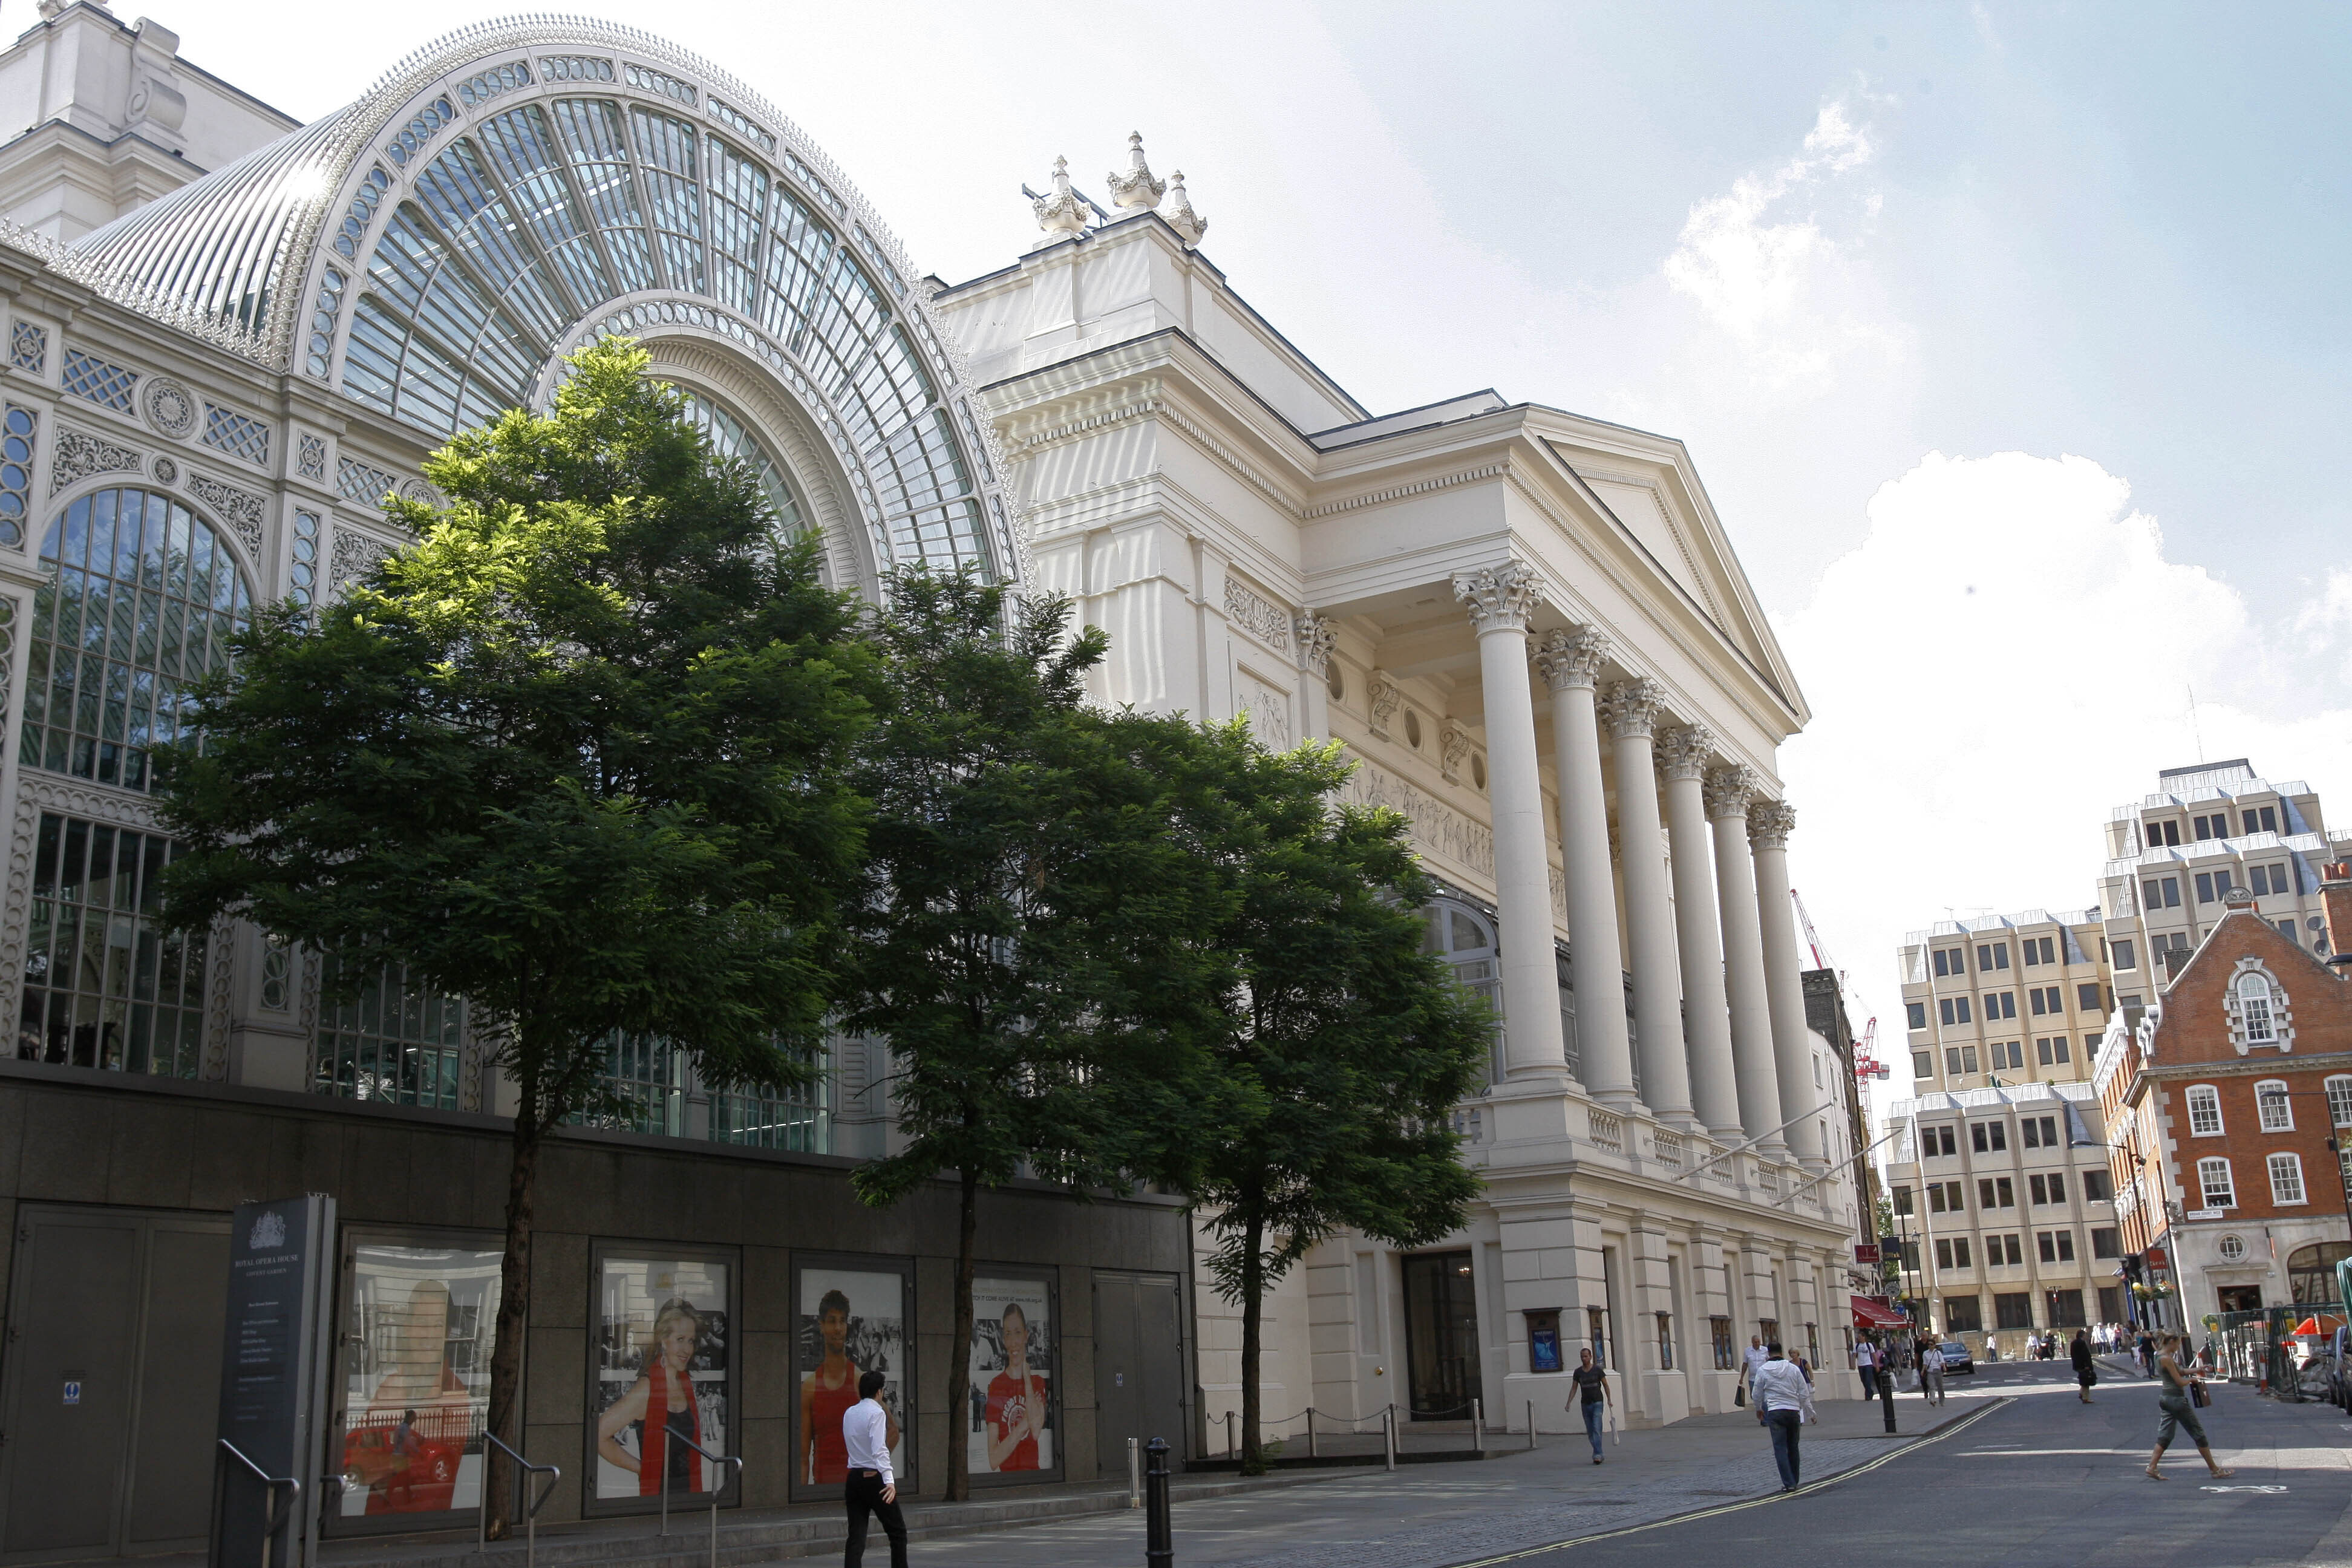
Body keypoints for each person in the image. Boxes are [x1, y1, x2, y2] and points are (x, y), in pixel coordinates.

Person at [596, 1298, 708, 1496]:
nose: (687, 1349)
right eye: (680, 1339)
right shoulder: (647, 1388)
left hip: (690, 1499)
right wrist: (643, 1469)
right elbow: (599, 1435)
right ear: (663, 1341)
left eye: (691, 1341)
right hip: (658, 1502)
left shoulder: (685, 1385)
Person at [804, 1290, 897, 1485]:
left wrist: (873, 1468)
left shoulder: (859, 1380)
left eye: (842, 1321)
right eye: (831, 1321)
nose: (838, 1328)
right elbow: (802, 1457)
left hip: (857, 1483)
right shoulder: (810, 1388)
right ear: (821, 1325)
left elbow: (893, 1431)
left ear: (847, 1325)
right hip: (823, 1488)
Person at [2146, 1333, 2233, 1481]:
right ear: (2171, 1342)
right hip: (2176, 1400)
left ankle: (2152, 1467)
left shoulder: (2159, 1355)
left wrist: (2198, 1370)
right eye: (2177, 1344)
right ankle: (2215, 1470)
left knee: (2166, 1435)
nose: (2178, 1347)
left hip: (2166, 1399)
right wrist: (2192, 1380)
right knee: (2198, 1434)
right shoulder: (2166, 1359)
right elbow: (2179, 1381)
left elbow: (2180, 1372)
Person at [843, 1368, 907, 1568]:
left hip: (853, 1478)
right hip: (874, 1479)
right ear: (879, 1392)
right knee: (897, 1532)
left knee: (856, 1537)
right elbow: (880, 1450)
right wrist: (889, 1481)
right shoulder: (877, 1413)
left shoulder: (849, 1412)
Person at [984, 1302, 1048, 1472]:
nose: (1014, 1341)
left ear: (1026, 1335)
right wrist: (1025, 1422)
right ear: (1004, 1339)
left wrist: (1026, 1378)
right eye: (1008, 1334)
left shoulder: (1037, 1382)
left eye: (1018, 1332)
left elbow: (1035, 1431)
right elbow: (993, 1459)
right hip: (1007, 1478)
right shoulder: (997, 1386)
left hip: (1035, 1475)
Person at [1751, 1341, 1817, 1492]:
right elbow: (1804, 1392)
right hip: (1793, 1411)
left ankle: (1789, 1483)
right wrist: (1808, 1411)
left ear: (1768, 1353)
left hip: (1775, 1411)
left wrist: (1758, 1409)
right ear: (1782, 1353)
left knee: (1780, 1448)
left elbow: (1756, 1393)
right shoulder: (1793, 1369)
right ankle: (1795, 1479)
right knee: (1793, 1447)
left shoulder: (1763, 1370)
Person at [1567, 1347, 1610, 1463]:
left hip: (1597, 1402)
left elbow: (1605, 1385)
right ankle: (1599, 1452)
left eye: (1586, 1356)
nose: (1584, 1358)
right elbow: (1574, 1388)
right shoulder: (1578, 1372)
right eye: (1582, 1356)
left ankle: (1598, 1454)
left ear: (1590, 1357)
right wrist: (1569, 1402)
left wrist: (1609, 1400)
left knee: (1597, 1428)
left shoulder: (1597, 1370)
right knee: (1590, 1430)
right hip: (1585, 1404)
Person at [1742, 1334, 1770, 1405]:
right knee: (1754, 1395)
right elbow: (1745, 1364)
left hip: (1763, 1377)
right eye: (1755, 1342)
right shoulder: (1747, 1351)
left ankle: (1764, 1408)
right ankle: (1759, 1405)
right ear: (1752, 1342)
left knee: (1764, 1395)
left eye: (1758, 1342)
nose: (1757, 1343)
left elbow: (1769, 1362)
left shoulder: (1765, 1350)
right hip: (1752, 1378)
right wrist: (1742, 1377)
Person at [2071, 1328, 2097, 1403]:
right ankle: (2085, 1398)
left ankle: (2081, 1393)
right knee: (2086, 1380)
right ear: (2082, 1335)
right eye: (2085, 1335)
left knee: (2083, 1379)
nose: (2086, 1336)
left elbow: (2074, 1355)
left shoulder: (2073, 1343)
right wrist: (2087, 1365)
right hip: (2084, 1365)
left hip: (2077, 1365)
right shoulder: (2081, 1343)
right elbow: (2084, 1355)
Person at [1920, 1342, 1946, 1406]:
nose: (1930, 1346)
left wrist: (1944, 1367)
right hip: (1930, 1372)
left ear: (1934, 1345)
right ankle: (1932, 1400)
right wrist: (1923, 1370)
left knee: (1940, 1387)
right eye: (1928, 1344)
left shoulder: (1938, 1353)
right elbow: (1925, 1363)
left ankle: (1942, 1401)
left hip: (1938, 1371)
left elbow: (1942, 1361)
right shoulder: (1925, 1353)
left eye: (1931, 1344)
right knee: (1931, 1386)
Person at [1854, 1334, 1878, 1400]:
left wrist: (1877, 1366)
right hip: (1860, 1365)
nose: (1859, 1338)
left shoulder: (1869, 1345)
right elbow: (1854, 1356)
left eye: (1860, 1337)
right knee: (1863, 1380)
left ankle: (1867, 1395)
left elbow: (1874, 1356)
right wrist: (1853, 1364)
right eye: (1858, 1337)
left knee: (1868, 1380)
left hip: (1868, 1364)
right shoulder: (1857, 1346)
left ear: (1864, 1337)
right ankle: (1870, 1392)